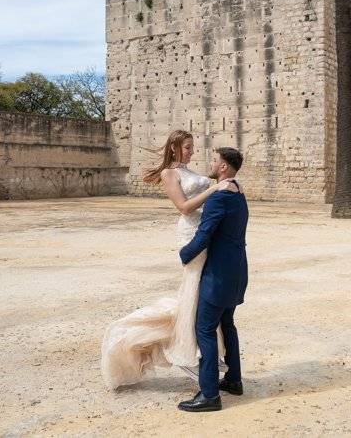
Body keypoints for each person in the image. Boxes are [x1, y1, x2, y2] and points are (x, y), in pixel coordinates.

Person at [100, 130, 237, 388]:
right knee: (197, 291)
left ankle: (204, 353)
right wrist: (215, 188)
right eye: (187, 147)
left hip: (206, 233)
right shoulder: (169, 174)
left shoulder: (190, 172)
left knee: (200, 294)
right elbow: (184, 207)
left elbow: (220, 177)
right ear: (174, 147)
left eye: (192, 147)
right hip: (191, 234)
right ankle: (188, 353)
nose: (192, 151)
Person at [177, 146, 248, 413]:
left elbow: (204, 235)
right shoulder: (239, 191)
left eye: (215, 160)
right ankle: (233, 379)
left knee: (204, 328)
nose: (211, 162)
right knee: (227, 324)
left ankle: (209, 394)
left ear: (223, 168)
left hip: (218, 274)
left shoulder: (220, 198)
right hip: (238, 270)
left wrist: (184, 254)